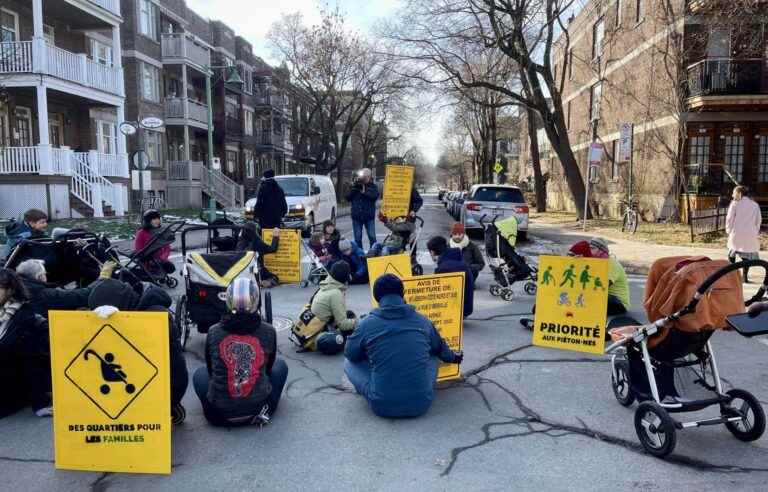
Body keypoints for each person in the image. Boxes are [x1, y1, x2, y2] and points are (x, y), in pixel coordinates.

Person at [343, 274, 463, 418]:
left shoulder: (366, 324)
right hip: (421, 403)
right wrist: (454, 357)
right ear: (403, 294)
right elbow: (441, 350)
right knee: (433, 353)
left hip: (382, 406)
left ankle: (373, 389)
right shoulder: (423, 321)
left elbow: (350, 354)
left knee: (348, 362)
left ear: (376, 297)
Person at [87, 278, 189, 424]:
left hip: (158, 385)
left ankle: (170, 406)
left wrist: (172, 401)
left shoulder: (157, 317)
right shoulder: (132, 303)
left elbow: (175, 369)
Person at [193, 278, 288, 427]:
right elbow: (268, 369)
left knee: (200, 373)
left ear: (228, 301)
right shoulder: (269, 331)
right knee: (281, 366)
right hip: (260, 410)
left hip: (217, 416)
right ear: (256, 300)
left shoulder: (213, 331)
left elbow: (211, 370)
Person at [0, 269, 52, 418]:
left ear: (10, 290)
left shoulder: (24, 317)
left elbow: (31, 362)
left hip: (9, 388)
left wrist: (39, 405)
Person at [15, 259, 116, 317]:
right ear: (39, 277)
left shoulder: (16, 288)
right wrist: (103, 277)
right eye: (44, 274)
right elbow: (83, 295)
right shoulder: (43, 294)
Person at [295, 262, 358, 355]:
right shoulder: (336, 293)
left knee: (349, 315)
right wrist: (358, 322)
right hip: (314, 335)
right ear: (345, 277)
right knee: (337, 341)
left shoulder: (326, 285)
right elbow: (343, 324)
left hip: (311, 328)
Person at [427, 236, 474, 317]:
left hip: (456, 311)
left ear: (432, 252)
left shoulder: (443, 268)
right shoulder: (459, 260)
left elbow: (437, 293)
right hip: (467, 308)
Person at [236, 209, 280, 288]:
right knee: (275, 278)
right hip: (256, 271)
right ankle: (262, 282)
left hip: (241, 272)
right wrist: (275, 236)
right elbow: (273, 249)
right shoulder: (256, 242)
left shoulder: (240, 243)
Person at [726, 186, 762, 283]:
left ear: (739, 193)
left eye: (734, 193)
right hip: (750, 234)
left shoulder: (735, 204)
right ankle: (745, 277)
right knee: (746, 256)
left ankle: (731, 276)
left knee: (732, 254)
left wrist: (728, 231)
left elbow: (729, 219)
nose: (732, 195)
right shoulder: (755, 205)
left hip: (736, 233)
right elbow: (758, 220)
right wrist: (755, 231)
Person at [588, 238, 630, 315]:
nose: (589, 251)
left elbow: (603, 286)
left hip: (618, 302)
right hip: (605, 297)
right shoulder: (595, 262)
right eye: (588, 248)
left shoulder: (611, 263)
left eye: (592, 248)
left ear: (601, 250)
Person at [346, 168, 379, 249]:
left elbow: (374, 196)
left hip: (369, 217)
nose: (364, 178)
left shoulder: (373, 187)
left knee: (372, 237)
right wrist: (354, 189)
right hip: (357, 216)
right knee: (357, 238)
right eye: (362, 176)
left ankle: (373, 254)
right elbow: (347, 198)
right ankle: (360, 256)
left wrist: (364, 191)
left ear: (369, 177)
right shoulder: (355, 186)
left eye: (366, 177)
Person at [134, 209, 175, 275]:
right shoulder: (141, 233)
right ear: (148, 221)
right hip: (148, 260)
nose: (157, 221)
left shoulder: (161, 231)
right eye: (153, 219)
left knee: (171, 267)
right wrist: (149, 260)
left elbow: (167, 247)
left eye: (158, 218)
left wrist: (162, 258)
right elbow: (138, 249)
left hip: (160, 259)